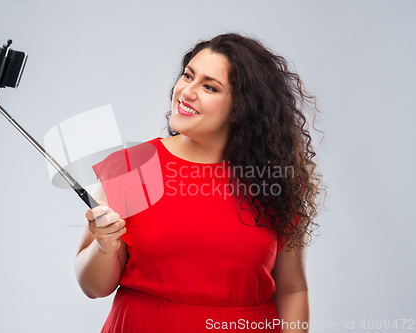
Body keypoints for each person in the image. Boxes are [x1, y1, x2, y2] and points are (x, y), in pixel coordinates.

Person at [74, 32, 325, 332]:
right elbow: (93, 288)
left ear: (242, 108)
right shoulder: (133, 168)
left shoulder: (276, 181)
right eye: (187, 76)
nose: (186, 92)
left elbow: (292, 289)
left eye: (209, 87)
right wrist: (104, 247)